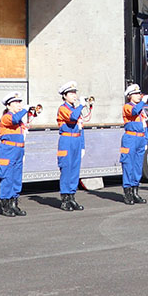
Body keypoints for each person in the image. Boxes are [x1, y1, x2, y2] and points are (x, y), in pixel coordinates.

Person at [0, 93, 31, 218]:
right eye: (15, 103)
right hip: (8, 150)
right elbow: (14, 120)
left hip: (18, 150)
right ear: (8, 105)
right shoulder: (7, 117)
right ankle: (6, 205)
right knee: (7, 177)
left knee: (16, 177)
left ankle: (14, 203)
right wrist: (25, 110)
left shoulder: (18, 119)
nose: (19, 105)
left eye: (19, 102)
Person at [56, 82, 88, 211]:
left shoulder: (76, 109)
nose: (74, 96)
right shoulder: (63, 108)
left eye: (75, 93)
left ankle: (72, 197)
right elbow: (73, 118)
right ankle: (65, 199)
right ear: (64, 96)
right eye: (71, 93)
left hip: (76, 140)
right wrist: (81, 105)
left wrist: (82, 146)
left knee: (75, 170)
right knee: (66, 170)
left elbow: (81, 128)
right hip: (66, 140)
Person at [120, 83, 148, 205]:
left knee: (138, 166)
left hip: (140, 138)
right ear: (129, 96)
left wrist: (145, 140)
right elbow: (134, 112)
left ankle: (135, 191)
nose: (139, 95)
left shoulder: (141, 109)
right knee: (128, 165)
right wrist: (142, 102)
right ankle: (127, 193)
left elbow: (145, 125)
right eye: (136, 94)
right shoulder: (128, 106)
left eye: (139, 93)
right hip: (130, 138)